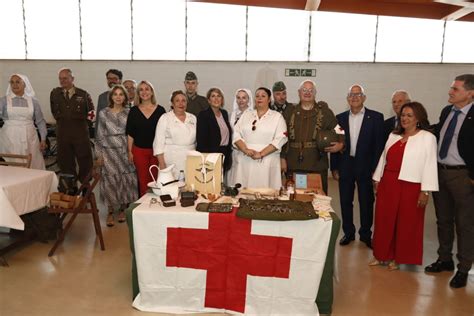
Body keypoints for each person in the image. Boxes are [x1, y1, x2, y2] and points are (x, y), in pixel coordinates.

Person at [372, 102, 438, 270]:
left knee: (406, 223)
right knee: (384, 220)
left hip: (411, 186)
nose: (405, 118)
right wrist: (377, 178)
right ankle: (381, 255)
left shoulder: (427, 137)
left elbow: (430, 165)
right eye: (403, 115)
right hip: (389, 184)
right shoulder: (393, 135)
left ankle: (399, 258)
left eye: (409, 115)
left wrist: (426, 191)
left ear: (418, 118)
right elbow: (383, 158)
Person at [425, 74, 474, 289]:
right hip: (440, 173)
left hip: (463, 176)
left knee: (465, 224)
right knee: (443, 219)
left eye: (455, 89)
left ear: (470, 93)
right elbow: (439, 130)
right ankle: (444, 259)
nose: (450, 92)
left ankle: (463, 268)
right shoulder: (447, 112)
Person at [331, 85, 385, 248]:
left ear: (364, 97)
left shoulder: (376, 117)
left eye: (358, 94)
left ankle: (366, 234)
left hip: (367, 166)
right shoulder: (339, 118)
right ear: (347, 98)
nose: (354, 97)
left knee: (366, 201)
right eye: (351, 95)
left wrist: (377, 169)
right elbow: (335, 143)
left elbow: (379, 146)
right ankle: (348, 233)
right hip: (345, 165)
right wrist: (334, 166)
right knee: (345, 200)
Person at [281, 80, 344, 194]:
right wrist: (282, 158)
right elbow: (282, 136)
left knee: (318, 200)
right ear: (299, 92)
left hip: (317, 164)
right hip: (293, 163)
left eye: (311, 90)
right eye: (304, 90)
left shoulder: (325, 112)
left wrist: (341, 144)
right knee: (294, 199)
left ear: (315, 93)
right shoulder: (290, 112)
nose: (307, 93)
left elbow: (339, 130)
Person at [95, 85, 138, 227]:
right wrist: (99, 154)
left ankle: (122, 209)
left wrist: (131, 151)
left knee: (125, 178)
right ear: (111, 97)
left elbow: (132, 133)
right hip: (108, 151)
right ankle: (110, 211)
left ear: (125, 97)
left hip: (125, 150)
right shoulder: (103, 113)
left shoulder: (130, 112)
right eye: (115, 94)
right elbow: (99, 134)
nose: (118, 97)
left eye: (121, 94)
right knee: (110, 181)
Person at [231, 87, 288, 189]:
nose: (259, 98)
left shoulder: (277, 117)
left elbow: (281, 138)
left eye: (263, 96)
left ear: (269, 99)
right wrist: (245, 149)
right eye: (257, 96)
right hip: (246, 158)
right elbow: (236, 134)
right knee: (244, 192)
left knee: (265, 191)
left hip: (267, 159)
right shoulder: (246, 115)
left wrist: (261, 153)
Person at [50, 68, 94, 183]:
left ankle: (85, 186)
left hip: (80, 135)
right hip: (63, 135)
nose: (62, 81)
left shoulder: (83, 94)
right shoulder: (55, 94)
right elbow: (54, 112)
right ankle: (70, 187)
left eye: (65, 78)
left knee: (85, 161)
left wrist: (83, 126)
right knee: (65, 162)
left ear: (72, 78)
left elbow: (91, 114)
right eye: (60, 78)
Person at [126, 80, 165, 196]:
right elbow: (130, 134)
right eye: (141, 90)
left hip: (156, 152)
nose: (144, 92)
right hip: (139, 151)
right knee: (143, 182)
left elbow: (164, 134)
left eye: (147, 89)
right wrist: (129, 151)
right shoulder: (133, 111)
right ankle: (144, 208)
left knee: (156, 180)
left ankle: (155, 207)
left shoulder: (160, 110)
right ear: (138, 93)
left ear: (152, 92)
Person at [0, 74, 47, 169]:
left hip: (30, 136)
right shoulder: (3, 101)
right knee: (11, 162)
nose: (14, 85)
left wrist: (43, 138)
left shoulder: (33, 102)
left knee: (33, 162)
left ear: (25, 84)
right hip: (9, 136)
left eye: (18, 82)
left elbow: (40, 121)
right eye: (12, 82)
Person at [153, 90, 196, 179]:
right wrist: (163, 167)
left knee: (189, 189)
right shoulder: (165, 118)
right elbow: (158, 144)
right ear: (172, 103)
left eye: (183, 100)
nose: (181, 103)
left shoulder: (193, 118)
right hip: (171, 161)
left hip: (190, 160)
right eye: (177, 101)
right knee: (171, 188)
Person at [196, 87, 232, 173]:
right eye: (213, 96)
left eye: (218, 96)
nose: (216, 99)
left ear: (222, 99)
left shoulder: (224, 113)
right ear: (208, 100)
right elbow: (201, 140)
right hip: (211, 155)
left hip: (224, 153)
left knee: (221, 182)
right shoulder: (203, 115)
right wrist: (206, 158)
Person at [227, 88, 254, 185]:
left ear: (248, 99)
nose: (241, 100)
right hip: (233, 152)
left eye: (244, 98)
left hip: (246, 151)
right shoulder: (231, 115)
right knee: (232, 179)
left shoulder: (253, 115)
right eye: (238, 98)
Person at [96, 69, 123, 137]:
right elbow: (98, 120)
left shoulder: (126, 96)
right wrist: (97, 137)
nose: (112, 81)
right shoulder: (102, 97)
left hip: (123, 137)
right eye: (109, 78)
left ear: (120, 80)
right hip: (106, 138)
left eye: (114, 78)